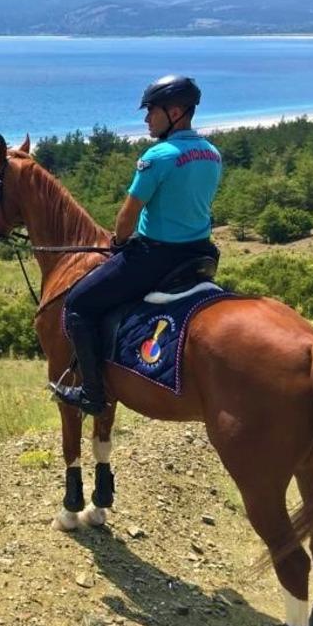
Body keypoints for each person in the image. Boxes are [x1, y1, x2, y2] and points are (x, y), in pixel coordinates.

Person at [52, 75, 223, 415]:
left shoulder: (158, 156)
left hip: (156, 256)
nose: (146, 119)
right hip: (201, 253)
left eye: (151, 111)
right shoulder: (212, 153)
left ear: (175, 112)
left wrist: (118, 242)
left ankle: (92, 394)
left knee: (78, 305)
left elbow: (128, 216)